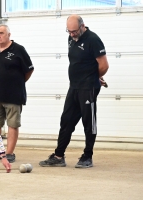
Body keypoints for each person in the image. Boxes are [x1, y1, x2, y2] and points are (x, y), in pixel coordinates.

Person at [39, 14, 109, 168]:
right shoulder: (71, 38)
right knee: (66, 121)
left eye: (74, 31)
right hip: (74, 87)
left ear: (82, 26)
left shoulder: (93, 39)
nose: (72, 34)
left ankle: (87, 157)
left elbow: (104, 65)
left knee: (88, 123)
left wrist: (95, 77)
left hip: (88, 88)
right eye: (69, 31)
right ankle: (58, 156)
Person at [0, 24, 34, 163]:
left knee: (12, 125)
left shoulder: (19, 50)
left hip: (13, 96)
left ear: (9, 35)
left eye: (1, 33)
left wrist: (17, 82)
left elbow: (29, 70)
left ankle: (9, 153)